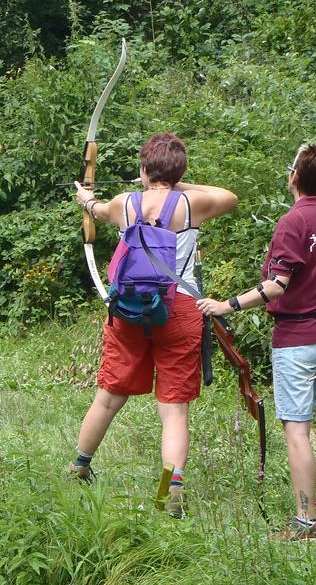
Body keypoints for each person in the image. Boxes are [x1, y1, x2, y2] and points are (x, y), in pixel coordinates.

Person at [70, 133, 238, 516]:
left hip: (129, 308)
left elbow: (94, 209)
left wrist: (86, 197)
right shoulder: (192, 203)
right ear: (179, 172)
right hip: (179, 309)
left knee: (110, 395)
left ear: (144, 169)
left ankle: (78, 467)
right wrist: (178, 182)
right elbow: (229, 196)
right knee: (174, 409)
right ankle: (170, 492)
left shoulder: (123, 203)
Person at [197, 143, 316, 541]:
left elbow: (277, 285)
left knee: (297, 428)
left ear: (294, 176)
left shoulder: (293, 222)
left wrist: (225, 305)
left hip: (298, 336)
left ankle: (305, 522)